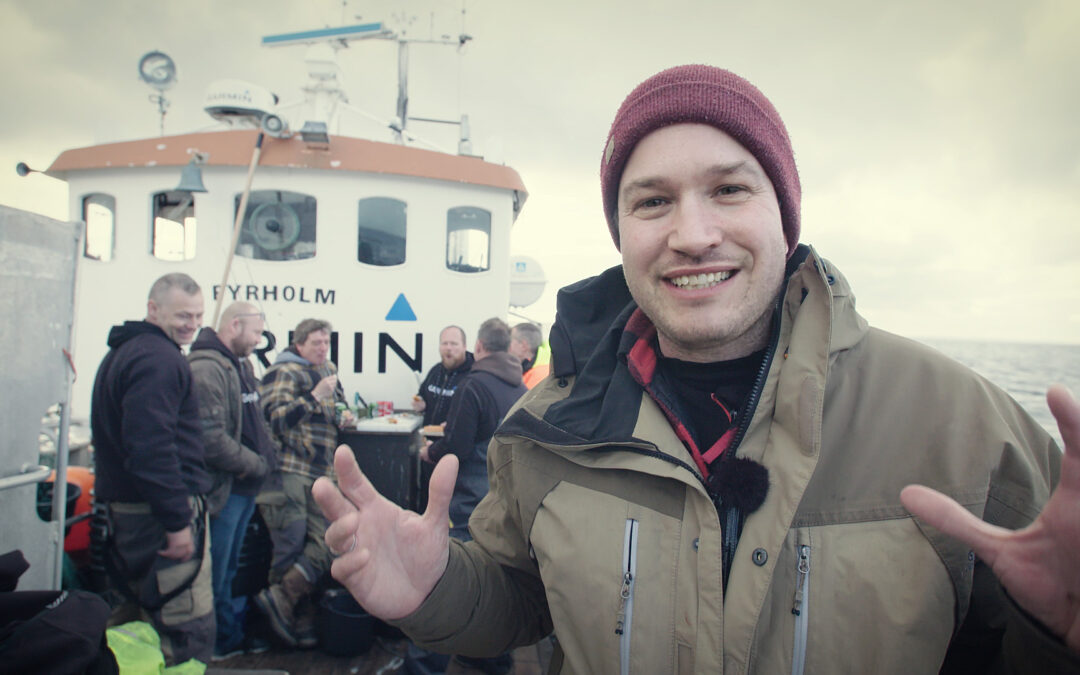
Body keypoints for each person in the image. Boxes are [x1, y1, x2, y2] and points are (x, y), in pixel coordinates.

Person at [313, 65, 1080, 673]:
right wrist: (434, 588)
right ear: (620, 233)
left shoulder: (961, 422)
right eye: (652, 202)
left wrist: (1057, 635)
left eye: (729, 189)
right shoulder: (547, 425)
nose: (693, 232)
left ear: (785, 214)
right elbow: (518, 599)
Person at [89, 272, 213, 666]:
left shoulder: (125, 352)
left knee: (134, 625)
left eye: (198, 316)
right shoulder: (158, 360)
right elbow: (151, 449)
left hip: (126, 516)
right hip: (156, 521)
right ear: (153, 309)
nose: (192, 325)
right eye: (183, 316)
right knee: (184, 627)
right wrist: (177, 523)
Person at [408, 318, 525, 675]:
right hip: (504, 504)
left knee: (443, 586)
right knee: (494, 585)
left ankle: (425, 666)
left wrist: (429, 452)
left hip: (468, 505)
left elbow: (456, 448)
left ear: (478, 346)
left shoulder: (473, 385)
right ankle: (490, 659)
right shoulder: (520, 388)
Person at [254, 318, 350, 648]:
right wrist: (313, 396)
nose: (323, 349)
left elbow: (338, 405)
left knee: (328, 542)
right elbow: (274, 420)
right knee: (289, 546)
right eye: (316, 343)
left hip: (323, 472)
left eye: (326, 343)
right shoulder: (282, 372)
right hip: (290, 469)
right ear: (299, 345)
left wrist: (344, 414)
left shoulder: (329, 370)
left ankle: (282, 597)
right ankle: (291, 624)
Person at [187, 301, 275, 660]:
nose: (258, 341)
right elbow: (210, 439)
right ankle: (220, 642)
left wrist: (266, 454)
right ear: (234, 325)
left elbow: (254, 419)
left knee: (230, 569)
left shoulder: (240, 364)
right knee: (216, 573)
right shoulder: (206, 369)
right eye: (256, 333)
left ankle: (229, 633)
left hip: (245, 488)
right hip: (225, 491)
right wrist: (255, 464)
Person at [413, 325, 475, 427]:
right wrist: (421, 405)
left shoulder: (475, 375)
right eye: (444, 343)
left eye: (454, 344)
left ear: (464, 346)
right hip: (429, 435)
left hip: (457, 436)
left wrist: (457, 425)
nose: (448, 348)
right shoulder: (435, 371)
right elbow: (422, 395)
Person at [509, 322, 550, 390]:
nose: (507, 345)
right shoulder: (545, 365)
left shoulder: (537, 377)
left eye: (509, 341)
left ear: (523, 345)